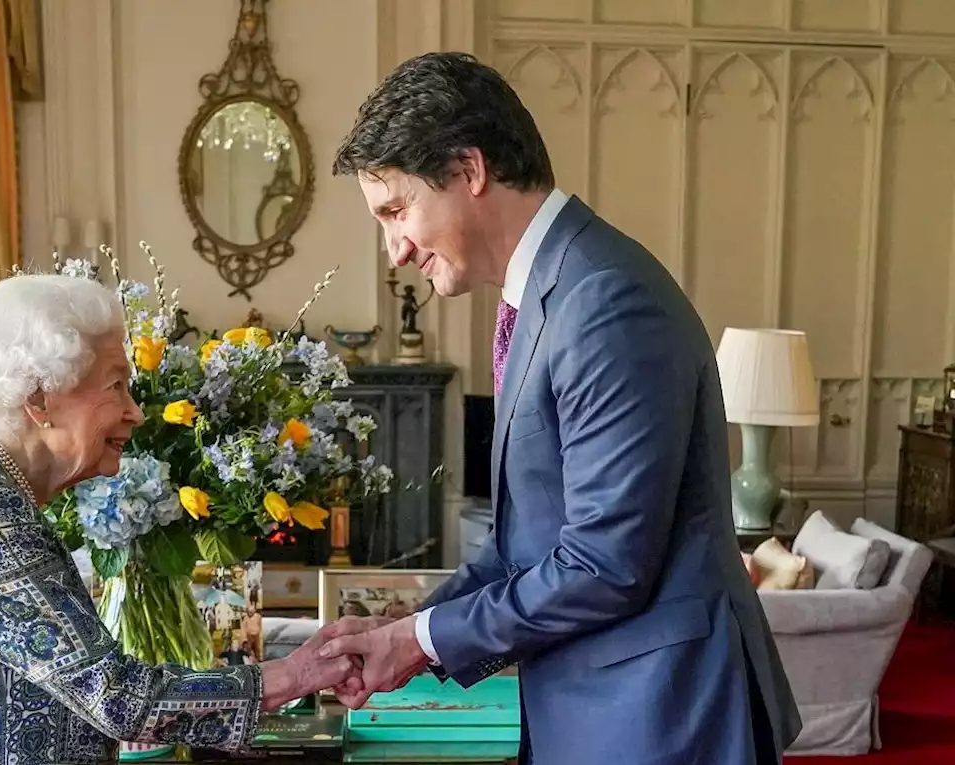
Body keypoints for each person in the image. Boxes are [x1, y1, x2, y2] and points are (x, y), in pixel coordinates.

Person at [319, 52, 801, 765]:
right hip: (603, 706)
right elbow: (526, 546)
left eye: (396, 211)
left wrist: (419, 641)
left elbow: (604, 564)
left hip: (662, 716)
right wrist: (414, 625)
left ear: (469, 170)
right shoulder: (546, 292)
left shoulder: (605, 300)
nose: (395, 250)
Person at [0, 274, 359, 764]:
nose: (136, 412)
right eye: (117, 387)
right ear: (38, 400)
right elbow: (117, 696)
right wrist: (293, 675)